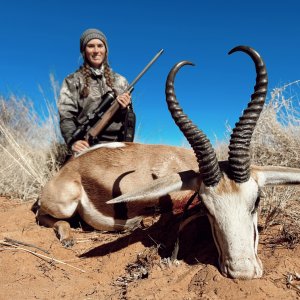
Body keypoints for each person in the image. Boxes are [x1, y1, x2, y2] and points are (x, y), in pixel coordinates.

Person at [58, 28, 134, 154]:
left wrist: (124, 109)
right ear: (84, 51)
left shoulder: (121, 81)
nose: (96, 51)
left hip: (117, 145)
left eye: (100, 46)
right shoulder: (72, 80)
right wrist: (73, 141)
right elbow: (66, 116)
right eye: (90, 46)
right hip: (86, 145)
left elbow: (129, 118)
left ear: (106, 50)